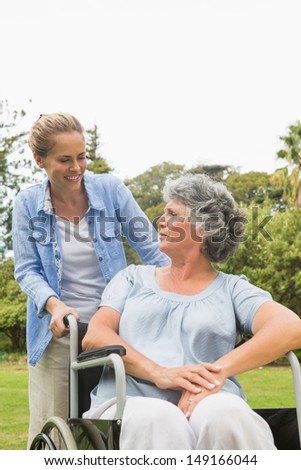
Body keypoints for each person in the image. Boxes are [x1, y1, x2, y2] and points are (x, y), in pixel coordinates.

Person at [82, 173, 301, 450]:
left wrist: (216, 374)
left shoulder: (232, 289)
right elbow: (95, 336)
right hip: (129, 403)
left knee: (227, 415)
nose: (159, 221)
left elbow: (291, 327)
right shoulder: (132, 278)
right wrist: (160, 373)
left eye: (171, 213)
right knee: (160, 418)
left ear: (202, 229)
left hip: (207, 400)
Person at [12, 112, 169, 448]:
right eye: (64, 159)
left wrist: (185, 289)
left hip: (115, 329)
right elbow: (27, 270)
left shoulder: (110, 190)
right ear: (39, 159)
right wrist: (55, 305)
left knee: (122, 424)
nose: (76, 168)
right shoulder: (26, 203)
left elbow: (153, 250)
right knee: (52, 431)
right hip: (57, 333)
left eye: (81, 157)